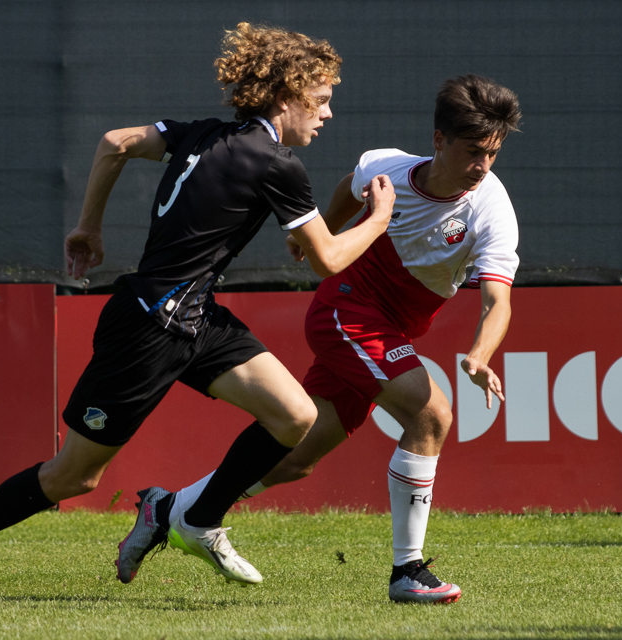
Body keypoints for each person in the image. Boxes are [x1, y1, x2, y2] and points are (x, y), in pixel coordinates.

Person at [0, 22, 395, 609]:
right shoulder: (278, 164)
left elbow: (117, 142)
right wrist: (377, 219)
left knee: (296, 417)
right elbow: (327, 260)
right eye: (320, 102)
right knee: (75, 476)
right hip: (147, 329)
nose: (326, 115)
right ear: (286, 95)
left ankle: (191, 518)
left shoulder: (205, 134)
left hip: (195, 317)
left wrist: (87, 225)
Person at [158, 75, 521, 604]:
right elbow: (349, 189)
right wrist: (317, 235)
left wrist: (480, 353)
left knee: (294, 460)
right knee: (431, 415)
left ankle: (171, 509)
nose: (483, 166)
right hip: (346, 309)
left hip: (391, 327)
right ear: (439, 139)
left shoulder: (492, 208)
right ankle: (407, 571)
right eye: (473, 151)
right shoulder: (387, 167)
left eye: (493, 153)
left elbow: (498, 301)